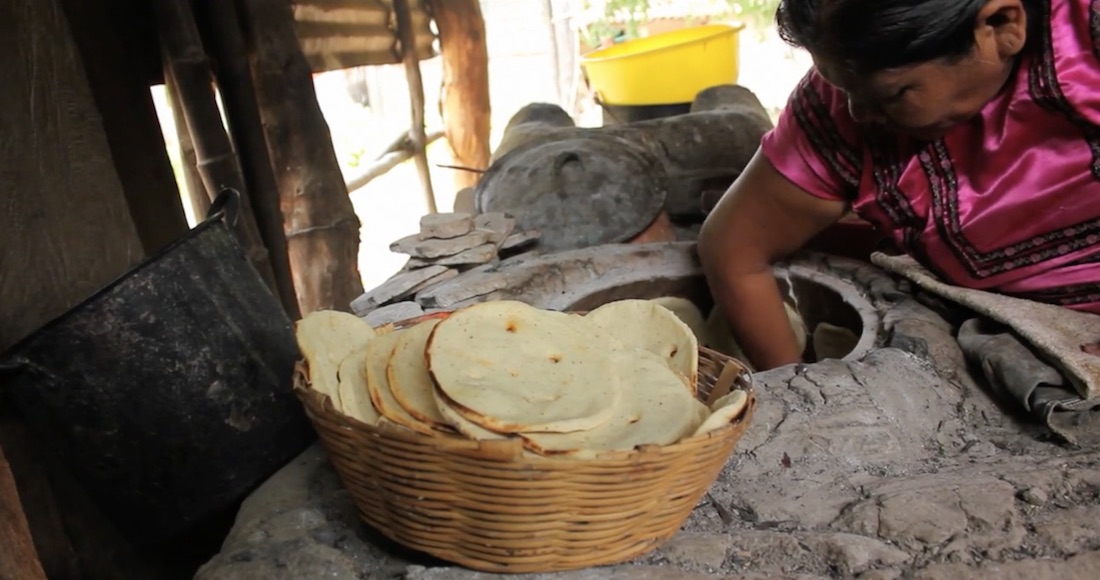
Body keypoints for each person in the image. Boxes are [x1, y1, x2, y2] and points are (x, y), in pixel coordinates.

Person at [698, 0, 1100, 371]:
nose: (858, 111)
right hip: (1003, 330)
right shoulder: (844, 108)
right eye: (843, 89)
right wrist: (795, 384)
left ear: (1000, 25)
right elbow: (733, 251)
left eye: (894, 94)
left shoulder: (1085, 33)